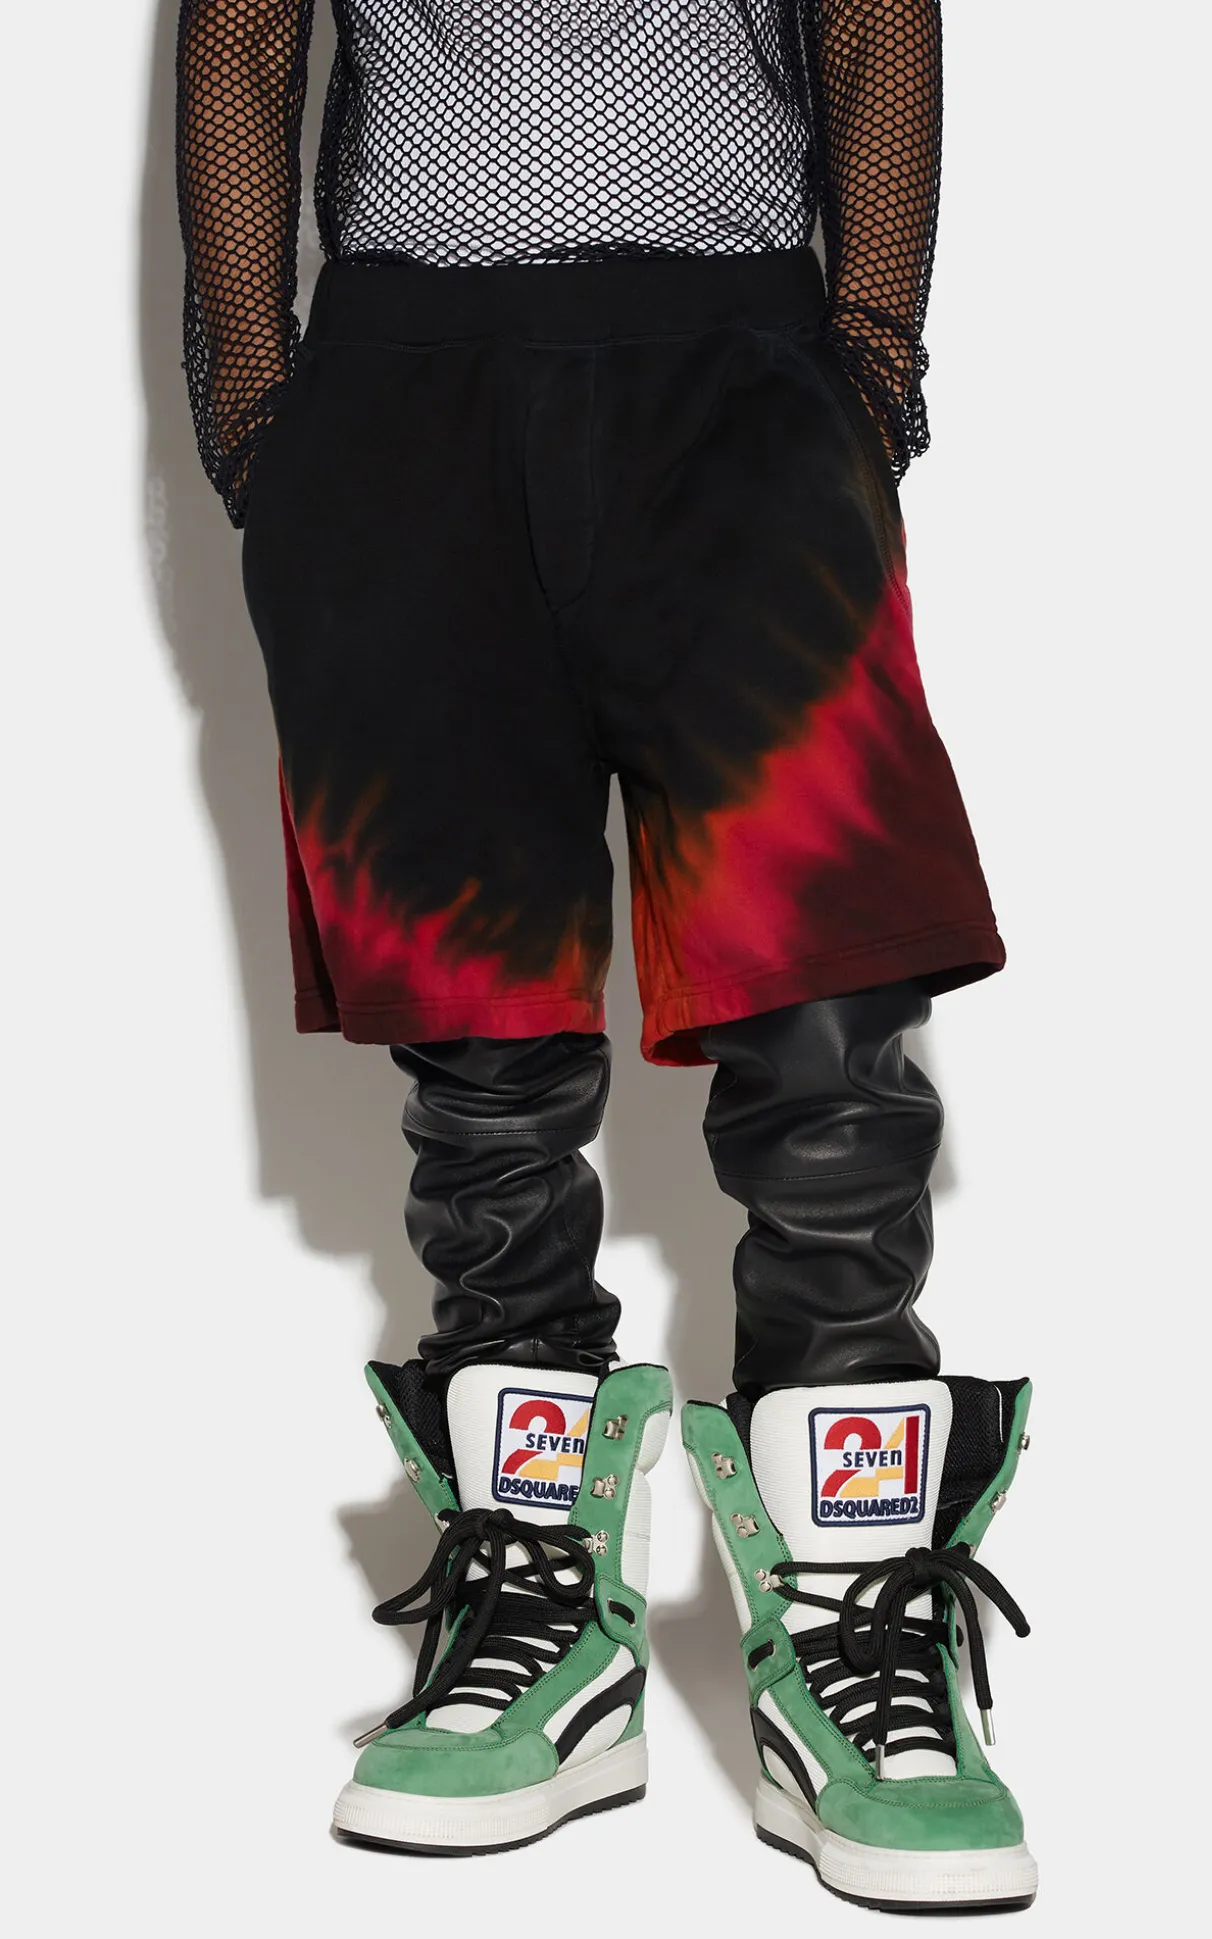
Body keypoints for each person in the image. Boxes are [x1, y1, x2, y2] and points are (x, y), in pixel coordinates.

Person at [177, 0, 1037, 1908]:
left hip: (740, 358)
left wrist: (869, 361)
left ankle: (857, 1614)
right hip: (405, 378)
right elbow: (241, 28)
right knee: (478, 1029)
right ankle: (542, 1617)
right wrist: (256, 407)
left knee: (823, 1000)